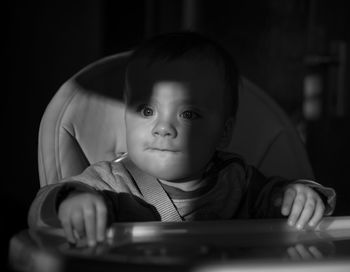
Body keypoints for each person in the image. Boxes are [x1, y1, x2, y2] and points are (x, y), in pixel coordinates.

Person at [28, 31, 336, 247]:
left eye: (188, 115)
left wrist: (301, 195)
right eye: (146, 110)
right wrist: (73, 201)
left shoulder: (237, 180)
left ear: (224, 133)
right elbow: (43, 209)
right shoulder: (112, 182)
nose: (163, 128)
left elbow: (282, 199)